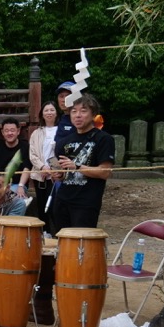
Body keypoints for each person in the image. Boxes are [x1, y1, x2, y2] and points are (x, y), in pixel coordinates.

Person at [50, 93, 115, 230]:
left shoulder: (104, 139)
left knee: (82, 244)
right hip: (62, 199)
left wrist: (77, 166)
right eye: (74, 111)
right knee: (61, 243)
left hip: (86, 201)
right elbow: (63, 174)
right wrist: (58, 175)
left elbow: (106, 172)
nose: (78, 115)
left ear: (93, 114)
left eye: (83, 111)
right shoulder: (63, 142)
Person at [27, 101, 60, 233]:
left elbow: (63, 152)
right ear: (42, 114)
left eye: (52, 110)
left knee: (55, 205)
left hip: (57, 174)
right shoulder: (36, 133)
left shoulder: (62, 131)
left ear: (56, 112)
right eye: (46, 110)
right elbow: (32, 153)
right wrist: (42, 167)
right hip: (39, 174)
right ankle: (45, 232)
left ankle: (57, 232)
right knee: (42, 205)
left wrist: (53, 169)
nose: (49, 113)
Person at [0, 118, 31, 199]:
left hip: (16, 184)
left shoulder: (25, 147)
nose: (9, 133)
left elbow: (27, 169)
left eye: (12, 130)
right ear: (2, 132)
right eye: (6, 130)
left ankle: (7, 208)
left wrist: (21, 185)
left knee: (14, 195)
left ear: (18, 131)